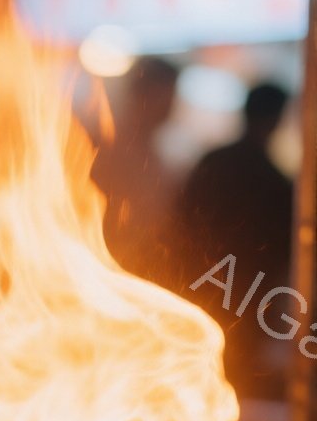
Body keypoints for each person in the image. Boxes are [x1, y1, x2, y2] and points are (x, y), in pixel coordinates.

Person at [175, 80, 295, 396]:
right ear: (277, 119)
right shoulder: (274, 180)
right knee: (236, 374)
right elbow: (283, 247)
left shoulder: (214, 162)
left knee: (198, 365)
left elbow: (181, 221)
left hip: (205, 283)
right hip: (248, 294)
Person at [91, 56, 180, 282]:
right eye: (167, 96)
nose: (171, 106)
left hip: (142, 269)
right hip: (104, 267)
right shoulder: (103, 146)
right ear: (142, 94)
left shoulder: (157, 155)